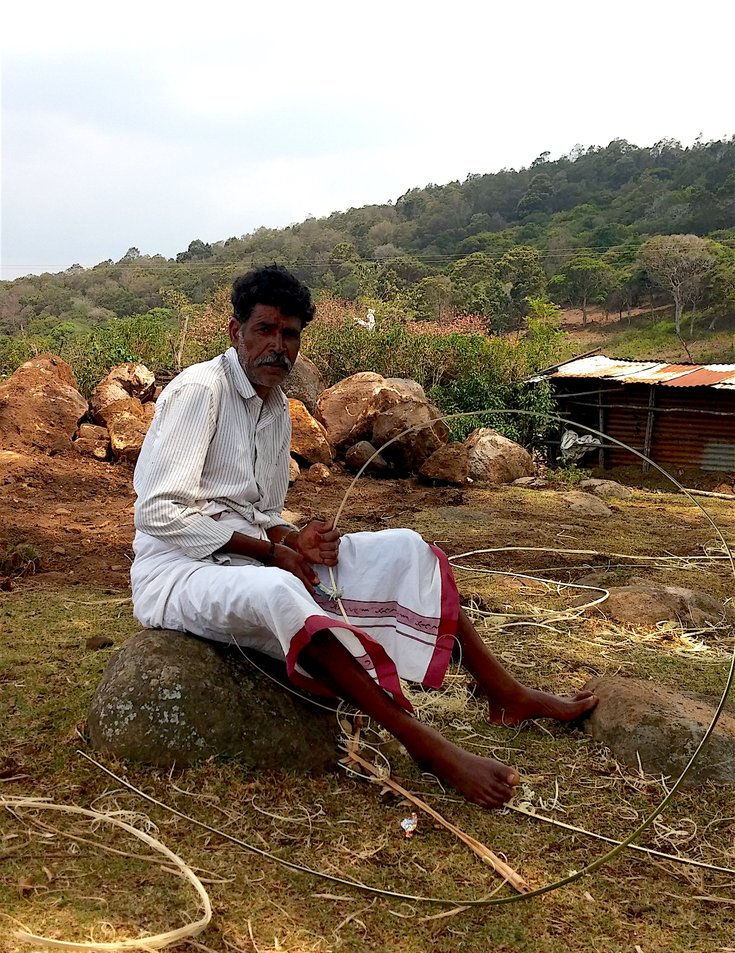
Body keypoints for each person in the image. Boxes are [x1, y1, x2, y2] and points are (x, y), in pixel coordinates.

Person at [131, 265, 597, 809]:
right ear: (235, 332)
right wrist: (272, 552)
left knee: (407, 549)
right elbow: (159, 513)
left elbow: (259, 509)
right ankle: (424, 746)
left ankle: (502, 692)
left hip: (254, 555)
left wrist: (295, 537)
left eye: (290, 334)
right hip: (178, 570)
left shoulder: (277, 406)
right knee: (283, 595)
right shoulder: (198, 392)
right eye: (264, 330)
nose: (277, 346)